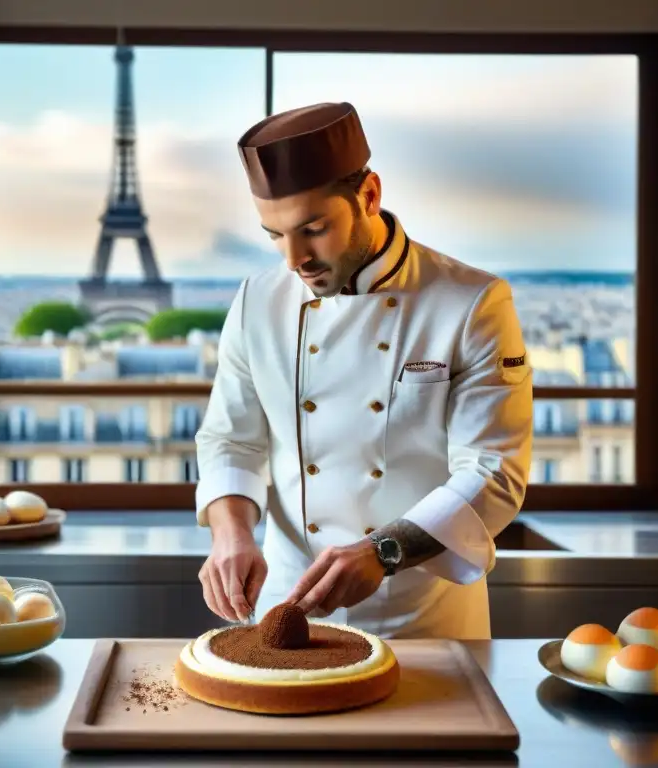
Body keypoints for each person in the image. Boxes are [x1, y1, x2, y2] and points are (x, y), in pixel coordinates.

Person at [193, 101, 533, 639]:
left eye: (313, 229)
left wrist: (384, 551)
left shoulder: (471, 302)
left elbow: (493, 472)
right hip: (287, 604)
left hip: (423, 617)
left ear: (369, 196)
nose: (294, 260)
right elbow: (231, 439)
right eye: (275, 236)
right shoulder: (256, 300)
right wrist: (231, 532)